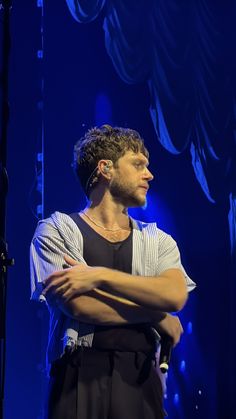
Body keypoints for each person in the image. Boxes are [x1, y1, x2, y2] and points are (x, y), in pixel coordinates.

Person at [30, 125, 195, 419]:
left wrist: (99, 276)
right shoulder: (55, 230)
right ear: (105, 169)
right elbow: (79, 305)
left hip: (142, 377)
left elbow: (174, 294)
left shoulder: (158, 241)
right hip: (78, 375)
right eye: (138, 164)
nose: (149, 174)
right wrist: (154, 315)